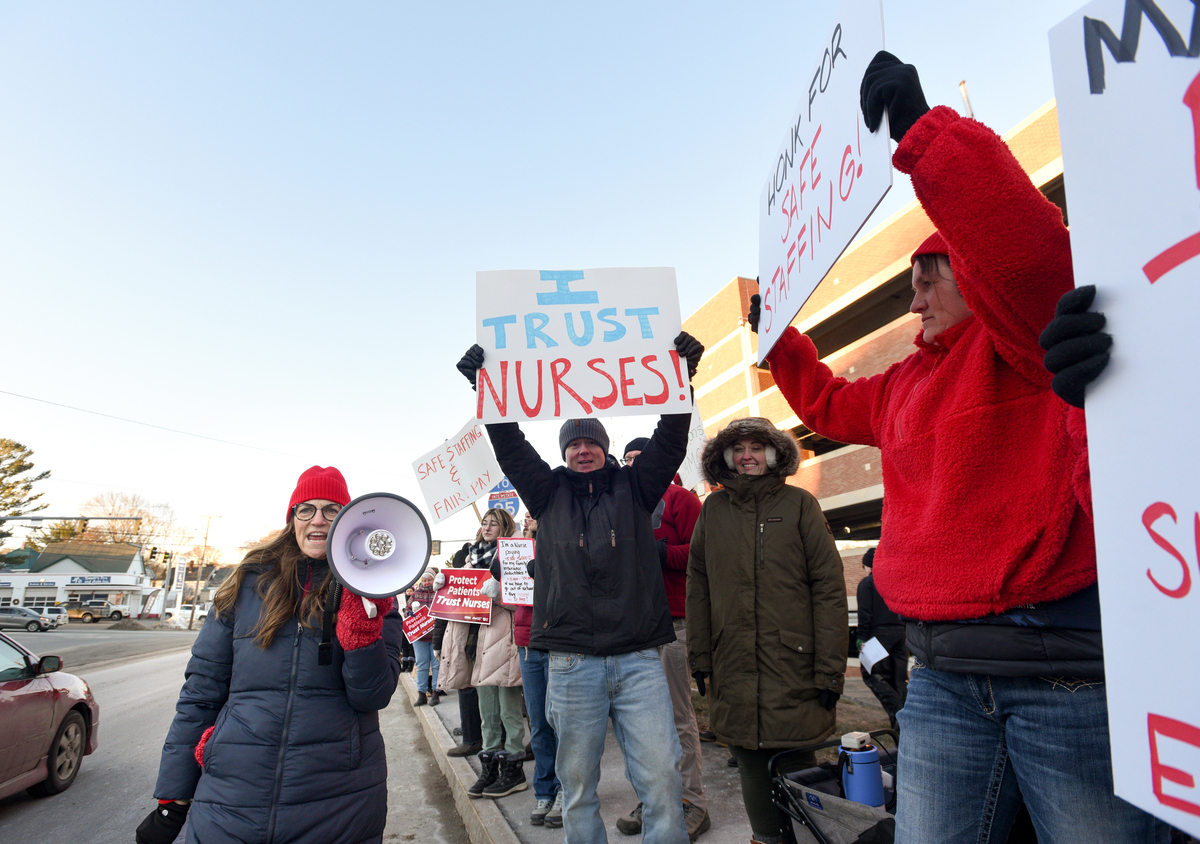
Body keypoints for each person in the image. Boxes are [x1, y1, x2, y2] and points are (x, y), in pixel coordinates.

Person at [744, 50, 1168, 843]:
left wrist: (922, 133)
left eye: (930, 276)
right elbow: (830, 401)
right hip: (938, 677)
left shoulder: (1030, 340)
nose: (914, 296)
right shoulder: (906, 381)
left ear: (971, 273)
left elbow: (1022, 250)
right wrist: (780, 341)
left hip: (1060, 671)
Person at [456, 330, 704, 844]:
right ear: (564, 451)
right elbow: (512, 448)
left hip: (638, 660)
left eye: (591, 441)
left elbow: (670, 439)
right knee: (578, 786)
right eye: (573, 443)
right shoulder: (546, 494)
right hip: (571, 663)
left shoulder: (637, 488)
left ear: (605, 448)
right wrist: (490, 393)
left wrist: (681, 381)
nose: (583, 449)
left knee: (661, 779)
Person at [137, 466, 404, 844]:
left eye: (332, 510)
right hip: (233, 796)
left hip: (339, 801)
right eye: (306, 509)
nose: (318, 520)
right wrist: (174, 795)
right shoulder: (247, 583)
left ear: (348, 521)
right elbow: (201, 693)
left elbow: (372, 696)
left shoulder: (376, 591)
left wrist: (361, 631)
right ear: (291, 519)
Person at [686, 417, 847, 844]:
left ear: (773, 454)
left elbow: (829, 590)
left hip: (792, 664)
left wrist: (830, 668)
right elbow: (698, 586)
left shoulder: (799, 505)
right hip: (732, 664)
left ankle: (805, 838)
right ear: (726, 457)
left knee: (796, 764)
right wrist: (700, 657)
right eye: (738, 449)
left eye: (757, 447)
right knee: (750, 765)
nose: (747, 456)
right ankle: (765, 838)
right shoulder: (713, 511)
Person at [617, 437, 709, 841]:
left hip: (672, 622)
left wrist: (664, 555)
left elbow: (704, 552)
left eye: (640, 458)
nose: (633, 464)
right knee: (637, 723)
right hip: (632, 626)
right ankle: (653, 799)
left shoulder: (681, 499)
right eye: (628, 460)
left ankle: (691, 802)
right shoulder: (621, 502)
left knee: (676, 717)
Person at [435, 508, 527, 799]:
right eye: (484, 522)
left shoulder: (513, 555)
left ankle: (514, 770)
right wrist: (444, 587)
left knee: (509, 711)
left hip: (501, 641)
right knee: (487, 712)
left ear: (505, 527)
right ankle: (490, 766)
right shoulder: (469, 557)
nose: (487, 527)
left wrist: (501, 594)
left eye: (494, 523)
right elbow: (457, 601)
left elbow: (526, 599)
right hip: (474, 643)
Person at [515, 513, 564, 829]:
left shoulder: (562, 537)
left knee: (561, 721)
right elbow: (499, 571)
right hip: (527, 641)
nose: (529, 516)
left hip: (558, 639)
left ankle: (567, 790)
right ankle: (545, 791)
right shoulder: (519, 546)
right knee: (538, 724)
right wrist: (521, 543)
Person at [433, 542, 483, 757]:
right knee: (465, 687)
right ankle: (471, 734)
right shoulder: (454, 582)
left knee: (481, 692)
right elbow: (443, 615)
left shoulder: (485, 576)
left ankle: (475, 737)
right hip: (461, 642)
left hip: (481, 640)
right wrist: (437, 644)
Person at [855, 547, 906, 731]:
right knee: (898, 679)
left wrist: (861, 637)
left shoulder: (867, 583)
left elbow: (865, 613)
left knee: (873, 675)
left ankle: (899, 713)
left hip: (878, 636)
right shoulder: (895, 582)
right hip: (901, 633)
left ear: (869, 565)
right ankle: (902, 726)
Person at [407, 570, 440, 707]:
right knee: (421, 664)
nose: (427, 582)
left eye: (429, 580)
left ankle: (436, 692)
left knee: (437, 665)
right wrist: (409, 613)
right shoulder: (415, 594)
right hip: (419, 636)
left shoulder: (439, 593)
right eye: (425, 580)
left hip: (435, 635)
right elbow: (407, 609)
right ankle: (421, 693)